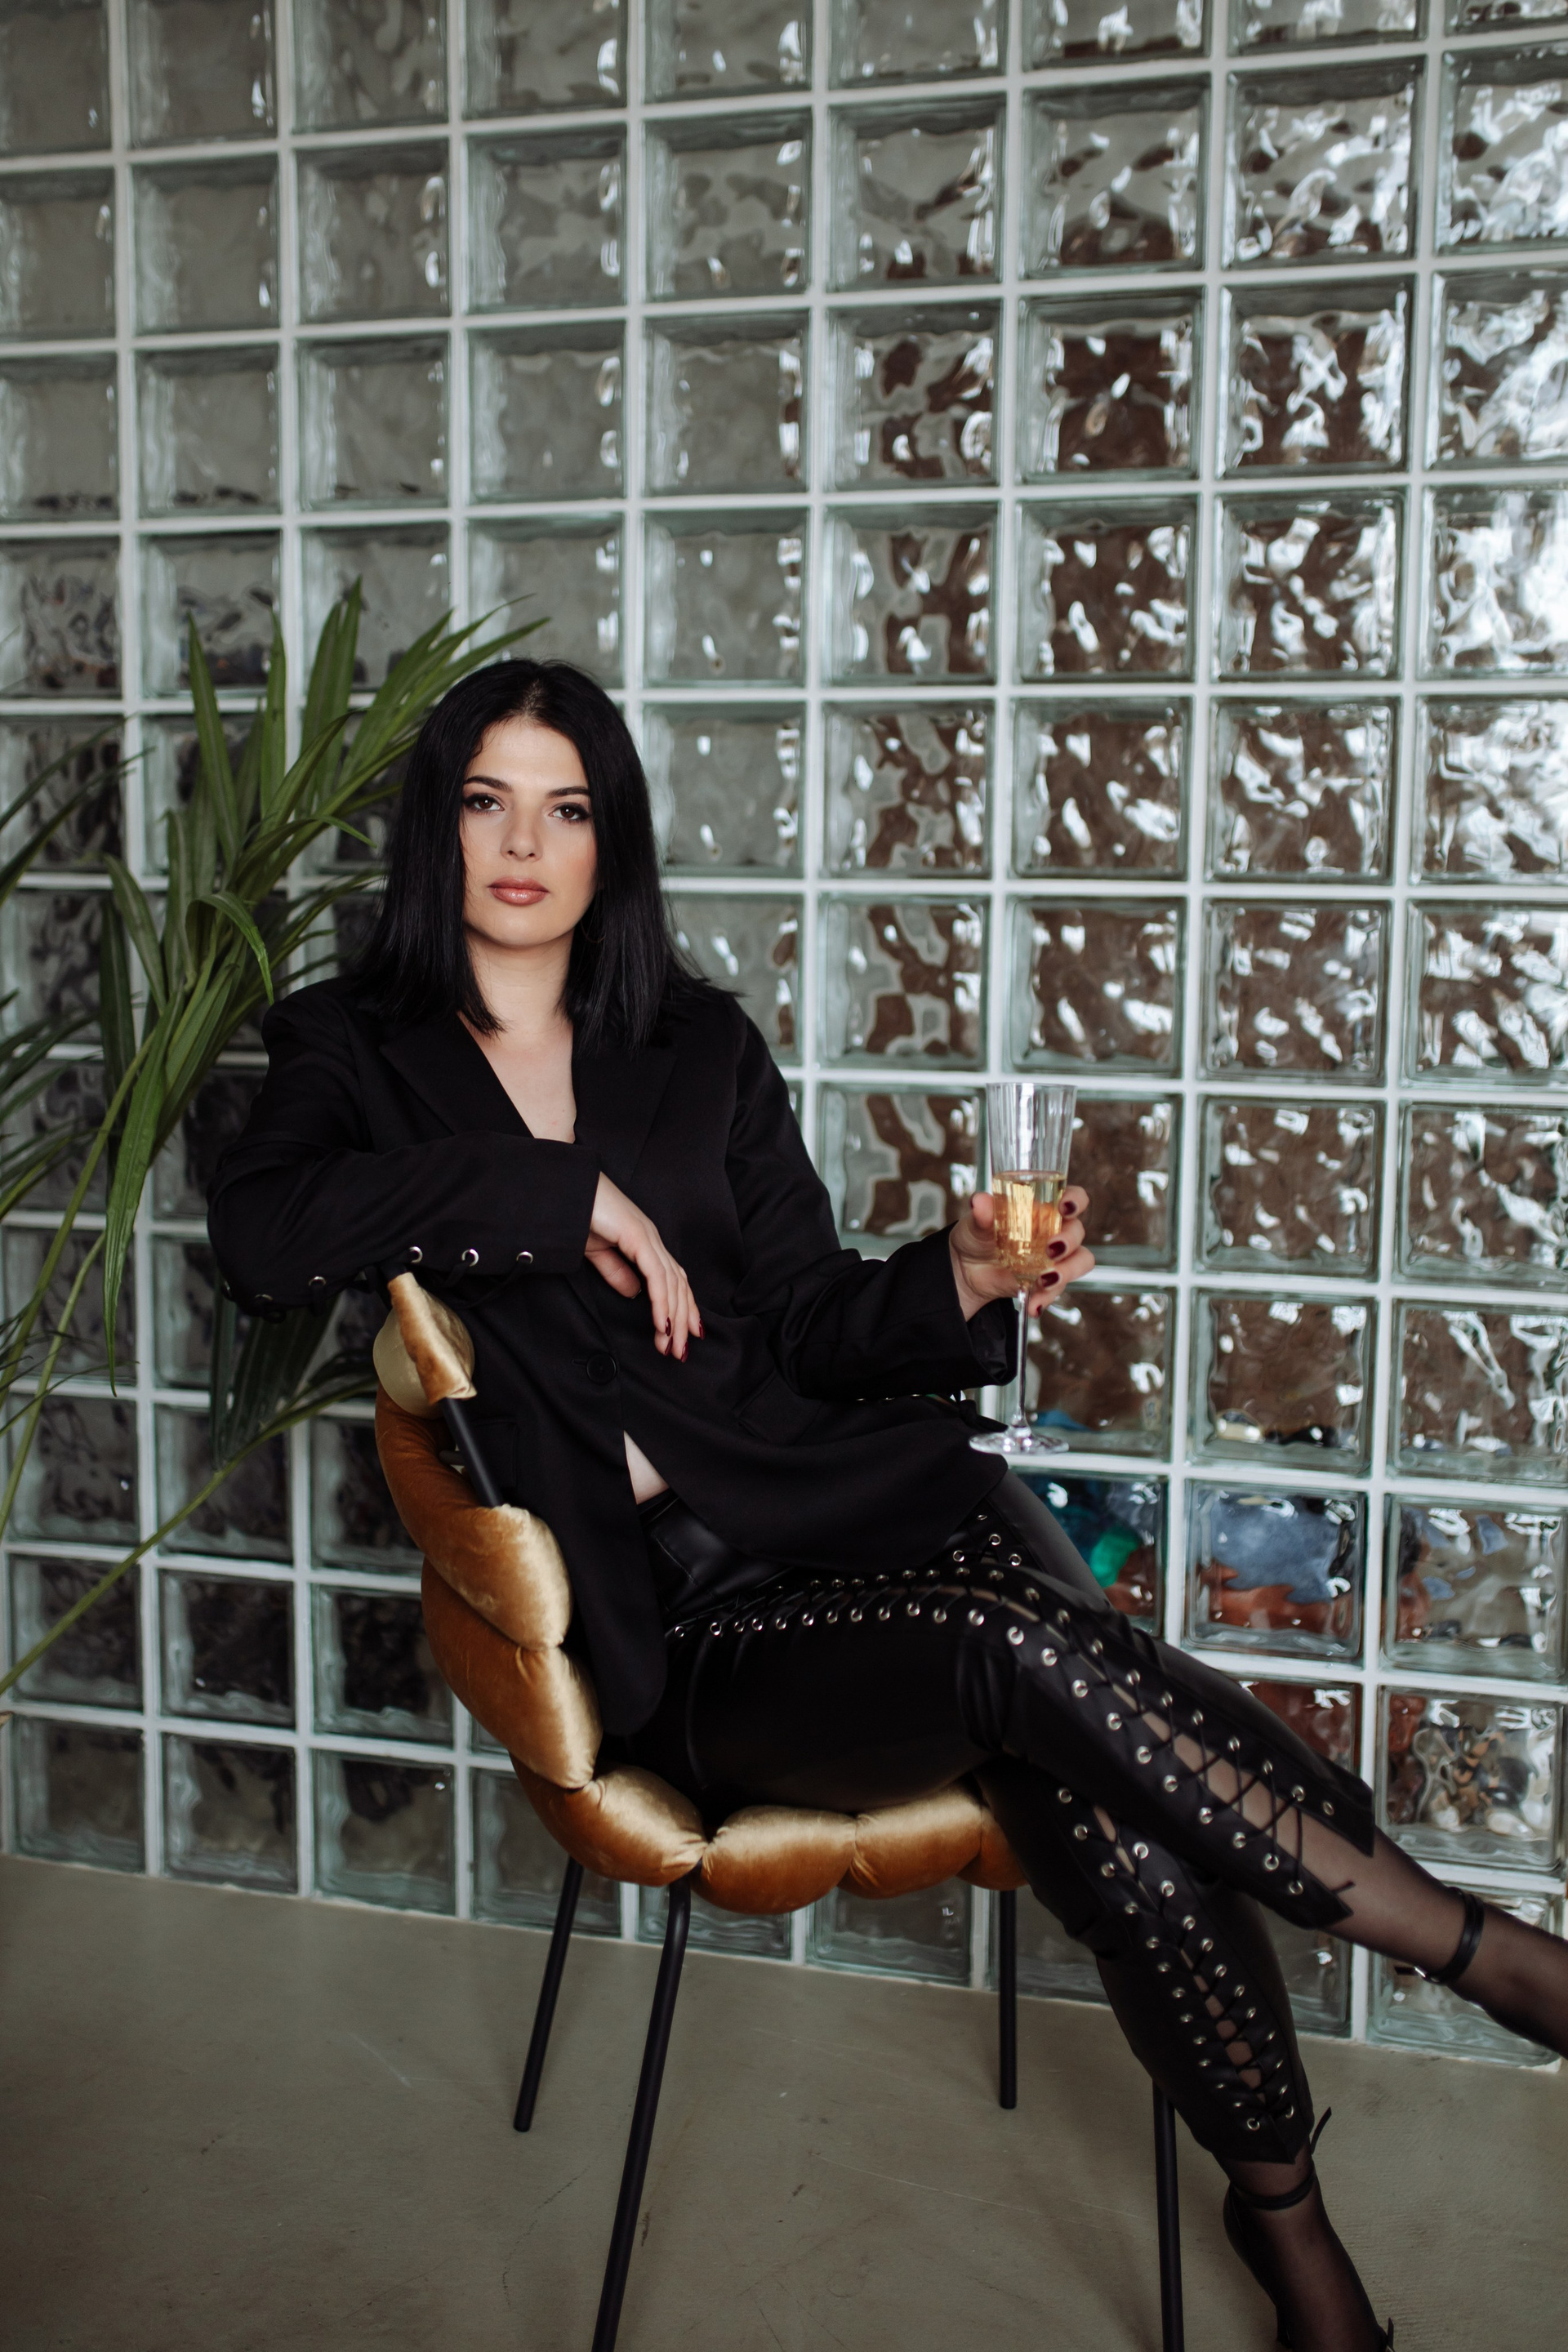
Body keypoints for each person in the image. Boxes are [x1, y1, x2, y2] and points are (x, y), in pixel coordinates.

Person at [209, 661, 1566, 2352]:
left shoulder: (697, 1045)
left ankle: (1292, 2224)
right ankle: (1466, 1949)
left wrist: (962, 1276)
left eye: (568, 809)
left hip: (869, 1503)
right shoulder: (352, 1047)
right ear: (442, 823)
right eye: (490, 802)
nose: (526, 846)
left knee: (1109, 1801)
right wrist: (558, 1195)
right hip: (698, 1625)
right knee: (1023, 1656)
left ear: (613, 842)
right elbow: (262, 1239)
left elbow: (810, 1326)